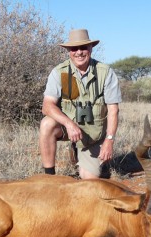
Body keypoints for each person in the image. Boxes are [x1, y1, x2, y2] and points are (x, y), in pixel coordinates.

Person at [39, 29, 122, 179]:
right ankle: (49, 177)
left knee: (90, 179)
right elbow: (47, 106)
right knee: (47, 124)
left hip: (93, 136)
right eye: (74, 49)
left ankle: (81, 154)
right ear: (68, 51)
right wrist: (69, 124)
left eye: (83, 47)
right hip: (69, 129)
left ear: (91, 48)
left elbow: (113, 110)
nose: (79, 52)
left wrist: (109, 141)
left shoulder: (105, 72)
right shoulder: (60, 72)